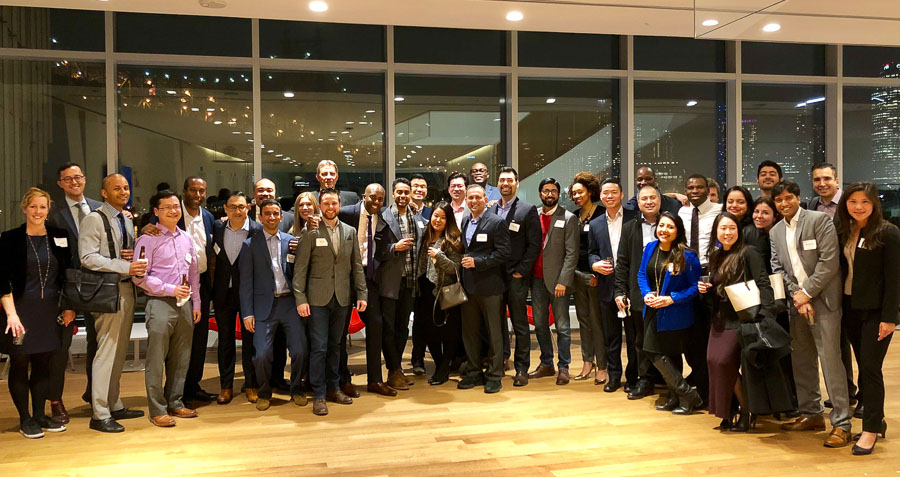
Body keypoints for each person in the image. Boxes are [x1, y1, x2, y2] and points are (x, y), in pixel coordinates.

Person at [769, 180, 852, 448]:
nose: (784, 203)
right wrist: (797, 295)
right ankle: (811, 414)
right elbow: (777, 268)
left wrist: (808, 293)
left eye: (788, 198)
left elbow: (829, 262)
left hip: (824, 302)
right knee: (802, 361)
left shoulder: (818, 221)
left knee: (830, 361)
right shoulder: (775, 231)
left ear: (798, 197)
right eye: (779, 200)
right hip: (798, 305)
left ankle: (842, 423)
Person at [1, 188, 74, 438]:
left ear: (48, 209)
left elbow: (68, 275)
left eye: (42, 207)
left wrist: (69, 306)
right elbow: (2, 281)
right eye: (33, 207)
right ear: (24, 209)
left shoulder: (59, 236)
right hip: (20, 311)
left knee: (44, 363)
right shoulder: (10, 239)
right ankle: (25, 419)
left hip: (50, 310)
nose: (38, 211)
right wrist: (11, 315)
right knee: (20, 363)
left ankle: (40, 415)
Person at [698, 212, 777, 432]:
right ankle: (728, 410)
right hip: (720, 319)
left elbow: (763, 282)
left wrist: (766, 314)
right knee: (714, 363)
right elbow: (715, 289)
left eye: (732, 228)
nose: (727, 232)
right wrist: (705, 289)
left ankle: (746, 410)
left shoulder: (748, 253)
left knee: (724, 363)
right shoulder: (716, 256)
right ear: (716, 232)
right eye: (723, 228)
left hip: (741, 318)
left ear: (738, 231)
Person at [836, 181, 899, 455]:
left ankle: (870, 430)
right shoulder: (844, 230)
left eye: (865, 202)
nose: (858, 207)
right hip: (850, 308)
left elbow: (895, 280)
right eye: (853, 202)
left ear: (874, 204)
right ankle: (878, 418)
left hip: (876, 312)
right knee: (864, 365)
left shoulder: (888, 232)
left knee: (871, 370)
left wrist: (890, 318)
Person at [79, 174, 146, 432]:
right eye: (116, 188)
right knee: (106, 352)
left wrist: (127, 256)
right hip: (108, 292)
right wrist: (124, 264)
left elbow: (116, 252)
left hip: (127, 289)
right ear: (104, 193)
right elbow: (87, 257)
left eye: (126, 187)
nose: (123, 191)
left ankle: (113, 402)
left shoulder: (125, 220)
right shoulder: (94, 219)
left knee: (119, 352)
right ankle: (99, 412)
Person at [142, 177, 217, 404]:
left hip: (197, 285)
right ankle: (165, 398)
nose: (197, 194)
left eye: (202, 191)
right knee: (165, 349)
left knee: (195, 341)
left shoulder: (209, 218)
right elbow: (142, 268)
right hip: (165, 291)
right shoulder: (159, 222)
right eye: (193, 190)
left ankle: (190, 388)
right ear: (184, 191)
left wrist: (197, 297)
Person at [293, 189, 367, 416]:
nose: (330, 206)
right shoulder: (310, 232)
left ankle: (334, 387)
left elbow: (356, 266)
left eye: (334, 202)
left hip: (342, 298)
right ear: (320, 206)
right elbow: (300, 269)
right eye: (326, 203)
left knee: (336, 346)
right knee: (319, 347)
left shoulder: (350, 232)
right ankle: (318, 393)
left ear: (339, 204)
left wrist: (362, 294)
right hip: (316, 299)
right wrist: (300, 298)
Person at [133, 190, 203, 427]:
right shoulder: (147, 239)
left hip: (185, 304)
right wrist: (169, 289)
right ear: (156, 212)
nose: (173, 211)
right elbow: (140, 278)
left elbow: (193, 274)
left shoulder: (185, 238)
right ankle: (157, 408)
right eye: (167, 207)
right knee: (156, 358)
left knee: (181, 357)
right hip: (160, 303)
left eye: (176, 206)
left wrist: (197, 302)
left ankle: (176, 401)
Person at [239, 199, 309, 412]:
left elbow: (300, 273)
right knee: (261, 355)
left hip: (290, 304)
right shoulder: (250, 245)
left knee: (299, 350)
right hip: (262, 307)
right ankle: (264, 392)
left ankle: (296, 389)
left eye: (275, 213)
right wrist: (247, 313)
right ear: (260, 217)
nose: (271, 217)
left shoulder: (292, 242)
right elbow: (245, 282)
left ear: (281, 216)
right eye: (267, 213)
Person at [47, 162, 102, 423]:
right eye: (67, 179)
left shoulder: (98, 207)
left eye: (77, 177)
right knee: (61, 347)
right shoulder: (52, 213)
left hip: (97, 285)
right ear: (60, 184)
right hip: (65, 288)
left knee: (98, 343)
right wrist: (67, 297)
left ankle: (95, 394)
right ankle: (56, 401)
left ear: (85, 179)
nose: (74, 182)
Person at [637, 212, 703, 415]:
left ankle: (685, 394)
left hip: (675, 312)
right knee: (657, 351)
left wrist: (672, 298)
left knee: (662, 352)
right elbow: (641, 274)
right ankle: (678, 395)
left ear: (678, 231)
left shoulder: (687, 255)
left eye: (670, 227)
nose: (664, 230)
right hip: (652, 309)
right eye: (661, 225)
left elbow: (695, 287)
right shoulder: (650, 248)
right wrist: (647, 293)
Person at [337, 184, 394, 397]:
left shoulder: (383, 219)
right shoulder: (345, 214)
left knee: (376, 325)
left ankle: (375, 380)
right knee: (340, 330)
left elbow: (383, 248)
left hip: (368, 279)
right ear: (364, 196)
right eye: (373, 198)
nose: (376, 203)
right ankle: (343, 380)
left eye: (380, 199)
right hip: (344, 278)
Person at [488, 167, 540, 386]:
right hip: (493, 277)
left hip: (516, 276)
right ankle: (498, 363)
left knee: (519, 324)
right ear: (497, 184)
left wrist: (522, 270)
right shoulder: (490, 210)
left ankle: (522, 368)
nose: (505, 183)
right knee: (496, 323)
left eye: (509, 180)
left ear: (517, 183)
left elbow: (534, 244)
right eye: (501, 180)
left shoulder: (527, 210)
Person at [810, 163, 856, 410]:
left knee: (848, 340)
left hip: (849, 279)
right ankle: (843, 392)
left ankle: (852, 393)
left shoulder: (849, 205)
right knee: (835, 341)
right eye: (817, 179)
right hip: (822, 280)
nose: (822, 183)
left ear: (837, 181)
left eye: (827, 178)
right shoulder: (811, 206)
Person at [211, 192, 263, 404]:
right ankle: (226, 386)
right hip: (223, 293)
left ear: (248, 208)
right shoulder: (217, 227)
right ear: (225, 209)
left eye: (241, 207)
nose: (237, 211)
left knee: (250, 341)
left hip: (248, 294)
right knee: (225, 341)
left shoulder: (257, 230)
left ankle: (250, 384)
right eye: (232, 207)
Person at [458, 184, 510, 394]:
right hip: (468, 287)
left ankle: (495, 375)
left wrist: (478, 262)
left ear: (485, 199)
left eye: (478, 197)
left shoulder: (496, 222)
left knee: (494, 333)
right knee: (470, 333)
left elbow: (504, 253)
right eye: (470, 198)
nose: (473, 201)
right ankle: (473, 373)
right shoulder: (464, 221)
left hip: (490, 287)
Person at [588, 178, 638, 392]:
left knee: (635, 336)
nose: (609, 196)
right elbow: (591, 252)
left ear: (622, 195)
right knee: (611, 336)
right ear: (600, 196)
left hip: (631, 285)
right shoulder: (596, 223)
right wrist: (594, 264)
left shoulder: (634, 219)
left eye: (613, 192)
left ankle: (634, 377)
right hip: (607, 285)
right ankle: (614, 376)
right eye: (605, 193)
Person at [528, 178, 578, 386]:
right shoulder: (533, 216)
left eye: (553, 191)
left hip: (558, 282)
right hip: (536, 280)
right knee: (539, 324)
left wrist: (563, 281)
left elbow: (572, 254)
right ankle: (546, 363)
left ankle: (563, 367)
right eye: (546, 191)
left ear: (559, 194)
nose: (550, 194)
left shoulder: (568, 218)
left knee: (563, 327)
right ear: (540, 194)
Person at [677, 174, 721, 403]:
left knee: (710, 333)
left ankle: (712, 387)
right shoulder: (682, 212)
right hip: (687, 275)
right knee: (690, 335)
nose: (695, 190)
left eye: (700, 187)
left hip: (711, 275)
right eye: (690, 187)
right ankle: (700, 383)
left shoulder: (719, 211)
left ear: (708, 189)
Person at [615, 185, 663, 400]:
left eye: (653, 197)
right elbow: (623, 262)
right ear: (638, 202)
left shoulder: (669, 224)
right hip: (638, 292)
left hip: (665, 289)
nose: (649, 201)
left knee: (666, 336)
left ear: (660, 200)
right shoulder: (629, 227)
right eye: (644, 198)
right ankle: (645, 380)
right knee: (640, 339)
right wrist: (620, 291)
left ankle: (668, 378)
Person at [378, 178, 424, 390]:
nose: (403, 196)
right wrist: (394, 247)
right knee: (389, 328)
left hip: (410, 280)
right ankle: (392, 370)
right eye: (399, 192)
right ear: (393, 194)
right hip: (390, 281)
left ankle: (397, 369)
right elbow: (375, 249)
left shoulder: (415, 217)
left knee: (402, 328)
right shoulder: (383, 217)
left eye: (407, 192)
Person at [414, 201, 464, 385]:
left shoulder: (454, 240)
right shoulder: (424, 236)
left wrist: (439, 256)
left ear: (448, 219)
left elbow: (455, 268)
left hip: (444, 291)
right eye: (435, 216)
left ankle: (443, 370)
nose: (438, 220)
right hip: (424, 290)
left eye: (443, 217)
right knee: (429, 332)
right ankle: (440, 364)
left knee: (448, 333)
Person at [569, 172, 608, 384]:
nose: (576, 196)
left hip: (595, 275)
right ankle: (587, 361)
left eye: (580, 192)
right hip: (577, 274)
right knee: (583, 320)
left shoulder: (602, 214)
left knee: (596, 321)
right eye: (573, 193)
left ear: (590, 192)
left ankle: (602, 366)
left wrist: (596, 271)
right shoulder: (574, 216)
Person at [408, 173, 432, 375]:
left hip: (425, 276)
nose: (419, 189)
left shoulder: (432, 214)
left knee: (423, 320)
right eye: (415, 186)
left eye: (422, 186)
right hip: (403, 275)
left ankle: (419, 359)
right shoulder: (398, 211)